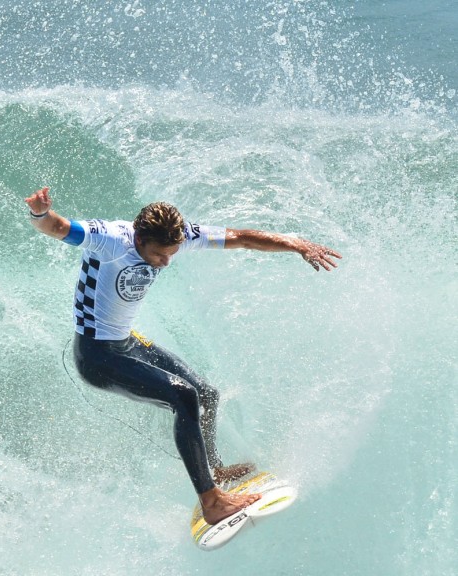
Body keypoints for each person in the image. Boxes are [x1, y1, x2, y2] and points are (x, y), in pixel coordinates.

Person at [24, 186, 342, 525]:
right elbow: (58, 227)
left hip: (127, 343)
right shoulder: (109, 239)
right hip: (96, 356)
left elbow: (241, 237)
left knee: (206, 393)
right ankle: (211, 502)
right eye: (160, 254)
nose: (166, 261)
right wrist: (40, 214)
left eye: (172, 253)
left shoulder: (179, 236)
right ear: (140, 238)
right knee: (183, 395)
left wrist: (294, 244)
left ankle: (214, 473)